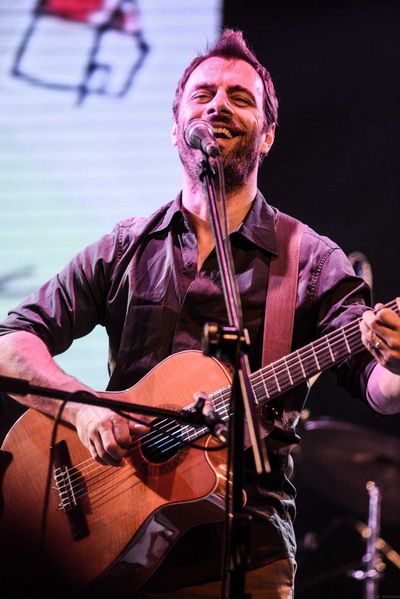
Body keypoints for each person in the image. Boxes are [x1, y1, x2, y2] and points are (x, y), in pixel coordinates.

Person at [0, 28, 399, 599]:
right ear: (175, 127)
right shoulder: (126, 247)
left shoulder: (311, 260)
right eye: (203, 94)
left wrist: (395, 359)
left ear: (267, 135)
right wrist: (85, 410)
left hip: (246, 552)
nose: (218, 106)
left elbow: (379, 388)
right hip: (107, 547)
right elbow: (11, 342)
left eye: (240, 98)